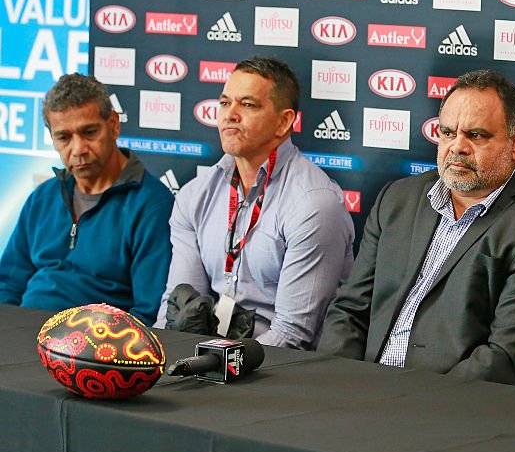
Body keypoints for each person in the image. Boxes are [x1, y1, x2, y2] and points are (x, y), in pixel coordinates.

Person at [319, 69, 515, 385]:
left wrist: (408, 403)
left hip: (447, 412)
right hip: (357, 393)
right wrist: (338, 384)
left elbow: (506, 358)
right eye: (447, 133)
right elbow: (349, 311)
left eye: (476, 135)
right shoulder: (397, 199)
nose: (457, 147)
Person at [155, 56, 354, 350]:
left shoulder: (315, 204)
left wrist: (216, 369)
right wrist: (154, 358)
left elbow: (292, 334)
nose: (230, 115)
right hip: (210, 359)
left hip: (281, 371)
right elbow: (179, 303)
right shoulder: (194, 196)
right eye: (224, 103)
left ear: (284, 121)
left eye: (247, 105)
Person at [0, 73, 172, 324]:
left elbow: (149, 313)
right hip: (23, 338)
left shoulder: (152, 206)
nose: (78, 149)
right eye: (64, 137)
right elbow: (7, 287)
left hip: (94, 351)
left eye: (89, 132)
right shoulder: (42, 198)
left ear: (113, 125)